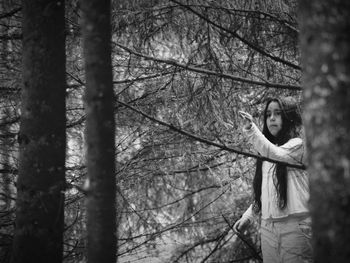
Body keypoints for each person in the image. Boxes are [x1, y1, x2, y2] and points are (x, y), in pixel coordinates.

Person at [234, 96, 312, 263]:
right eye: (268, 114)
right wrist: (248, 217)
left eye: (278, 113)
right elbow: (263, 194)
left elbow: (277, 155)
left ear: (290, 117)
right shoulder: (266, 153)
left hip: (296, 227)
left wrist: (250, 129)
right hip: (268, 229)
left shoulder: (298, 145)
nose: (272, 118)